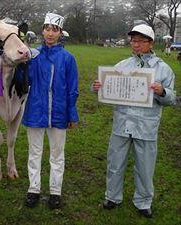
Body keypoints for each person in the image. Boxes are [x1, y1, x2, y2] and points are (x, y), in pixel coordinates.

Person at [92, 24, 176, 218]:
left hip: (146, 126)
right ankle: (112, 197)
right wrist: (98, 86)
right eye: (134, 41)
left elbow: (172, 98)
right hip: (122, 123)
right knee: (115, 162)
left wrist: (162, 92)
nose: (136, 45)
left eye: (140, 41)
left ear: (150, 43)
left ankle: (143, 201)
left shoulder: (163, 69)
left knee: (145, 166)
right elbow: (106, 87)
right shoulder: (122, 66)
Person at [23, 13, 79, 209]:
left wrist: (72, 114)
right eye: (47, 29)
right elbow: (24, 80)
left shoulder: (68, 58)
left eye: (54, 30)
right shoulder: (33, 55)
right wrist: (22, 62)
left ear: (60, 33)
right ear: (42, 31)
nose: (50, 33)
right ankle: (34, 189)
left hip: (59, 113)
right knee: (34, 152)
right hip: (35, 111)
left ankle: (55, 191)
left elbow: (73, 89)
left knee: (57, 154)